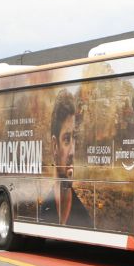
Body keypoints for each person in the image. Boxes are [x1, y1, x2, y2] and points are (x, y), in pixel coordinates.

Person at [40, 89, 92, 227]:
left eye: (74, 138)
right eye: (67, 139)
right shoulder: (43, 213)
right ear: (55, 145)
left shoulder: (85, 219)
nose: (72, 151)